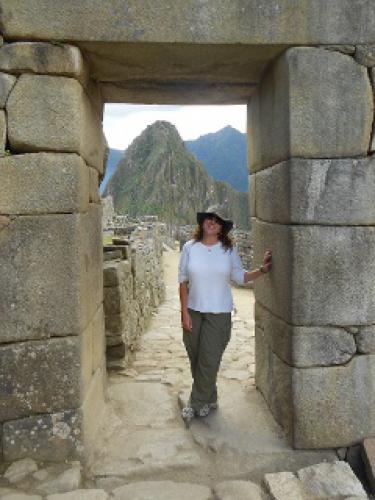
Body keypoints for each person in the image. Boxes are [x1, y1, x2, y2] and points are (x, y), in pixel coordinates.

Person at [178, 207, 272, 424]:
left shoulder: (228, 250)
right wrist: (184, 312)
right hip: (193, 311)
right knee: (197, 360)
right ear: (202, 223)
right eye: (209, 218)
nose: (212, 222)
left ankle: (195, 403)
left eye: (217, 221)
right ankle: (210, 398)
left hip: (219, 313)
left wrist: (262, 270)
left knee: (208, 361)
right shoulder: (189, 248)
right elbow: (182, 281)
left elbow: (240, 277)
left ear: (221, 229)